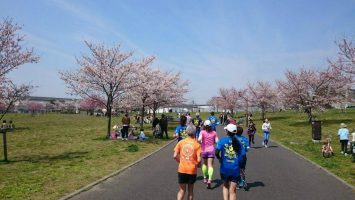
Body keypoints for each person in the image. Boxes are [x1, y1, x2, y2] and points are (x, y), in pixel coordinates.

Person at [173, 125, 201, 200]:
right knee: (190, 191)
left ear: (186, 132)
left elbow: (175, 155)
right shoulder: (197, 145)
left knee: (181, 190)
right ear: (195, 133)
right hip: (192, 170)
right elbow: (199, 160)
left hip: (182, 169)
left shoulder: (181, 142)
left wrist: (180, 161)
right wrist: (199, 165)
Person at [215, 124, 242, 200]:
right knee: (233, 191)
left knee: (225, 186)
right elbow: (242, 156)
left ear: (227, 132)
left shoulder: (222, 141)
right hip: (235, 168)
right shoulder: (239, 142)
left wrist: (220, 158)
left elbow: (216, 152)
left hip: (225, 168)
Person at [198, 120, 219, 189]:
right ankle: (209, 179)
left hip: (204, 150)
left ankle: (204, 178)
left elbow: (199, 139)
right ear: (210, 126)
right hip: (211, 150)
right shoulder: (214, 133)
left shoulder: (202, 132)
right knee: (210, 165)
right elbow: (217, 141)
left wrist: (200, 141)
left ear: (204, 125)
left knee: (204, 164)